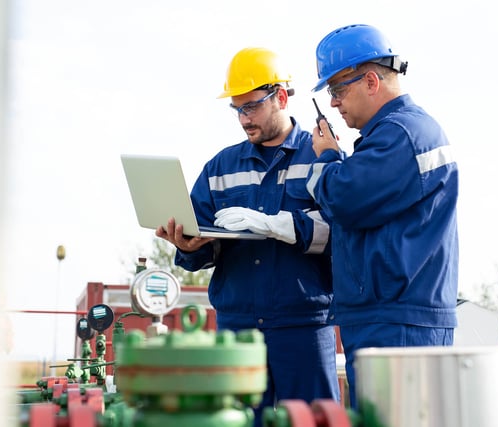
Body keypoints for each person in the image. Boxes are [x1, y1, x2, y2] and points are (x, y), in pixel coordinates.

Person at [156, 46, 340, 424]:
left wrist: (275, 225)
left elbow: (341, 231)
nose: (243, 119)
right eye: (237, 109)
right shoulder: (220, 167)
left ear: (282, 97)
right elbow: (202, 245)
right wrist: (186, 246)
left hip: (302, 325)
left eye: (251, 106)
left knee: (314, 420)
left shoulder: (321, 157)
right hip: (237, 327)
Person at [306, 24, 459, 407]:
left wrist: (327, 158)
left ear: (371, 80)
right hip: (391, 314)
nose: (334, 103)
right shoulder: (400, 133)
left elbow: (343, 199)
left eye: (338, 89)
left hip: (397, 318)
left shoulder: (400, 135)